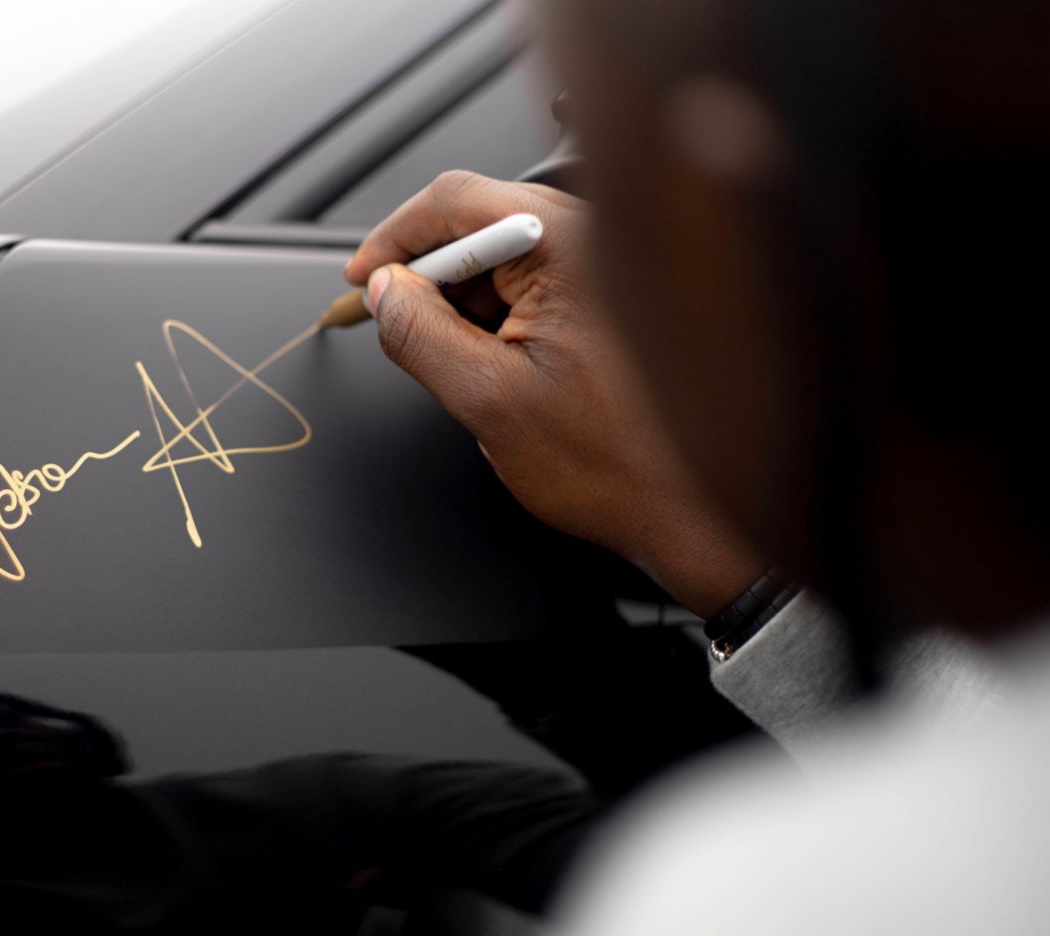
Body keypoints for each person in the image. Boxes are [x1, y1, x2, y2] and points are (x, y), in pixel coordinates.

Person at [343, 0, 1050, 929]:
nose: (562, 114)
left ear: (720, 204)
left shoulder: (746, 898)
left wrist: (726, 555)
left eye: (596, 122)